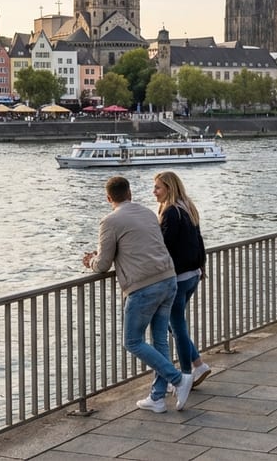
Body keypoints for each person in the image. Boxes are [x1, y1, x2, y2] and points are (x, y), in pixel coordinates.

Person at [84, 176, 192, 413]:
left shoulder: (110, 221)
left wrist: (91, 261)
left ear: (109, 198)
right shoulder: (147, 212)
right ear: (130, 194)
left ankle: (178, 379)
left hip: (144, 286)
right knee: (160, 339)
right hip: (168, 278)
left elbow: (102, 264)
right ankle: (157, 398)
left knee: (132, 341)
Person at [153, 171, 212, 388]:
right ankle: (198, 364)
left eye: (158, 187)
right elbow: (199, 240)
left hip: (178, 278)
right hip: (193, 275)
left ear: (169, 188)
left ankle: (186, 375)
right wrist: (202, 267)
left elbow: (164, 246)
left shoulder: (170, 212)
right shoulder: (188, 207)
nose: (154, 192)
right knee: (175, 324)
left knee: (176, 326)